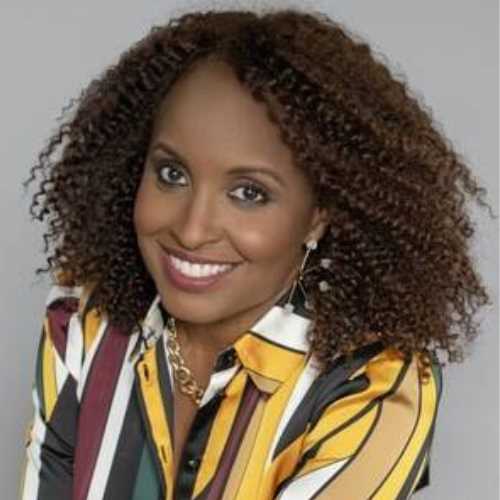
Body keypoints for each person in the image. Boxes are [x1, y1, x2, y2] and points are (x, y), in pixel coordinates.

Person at [19, 6, 494, 500]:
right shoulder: (85, 321)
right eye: (172, 174)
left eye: (249, 193)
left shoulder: (373, 387)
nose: (192, 230)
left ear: (318, 215)